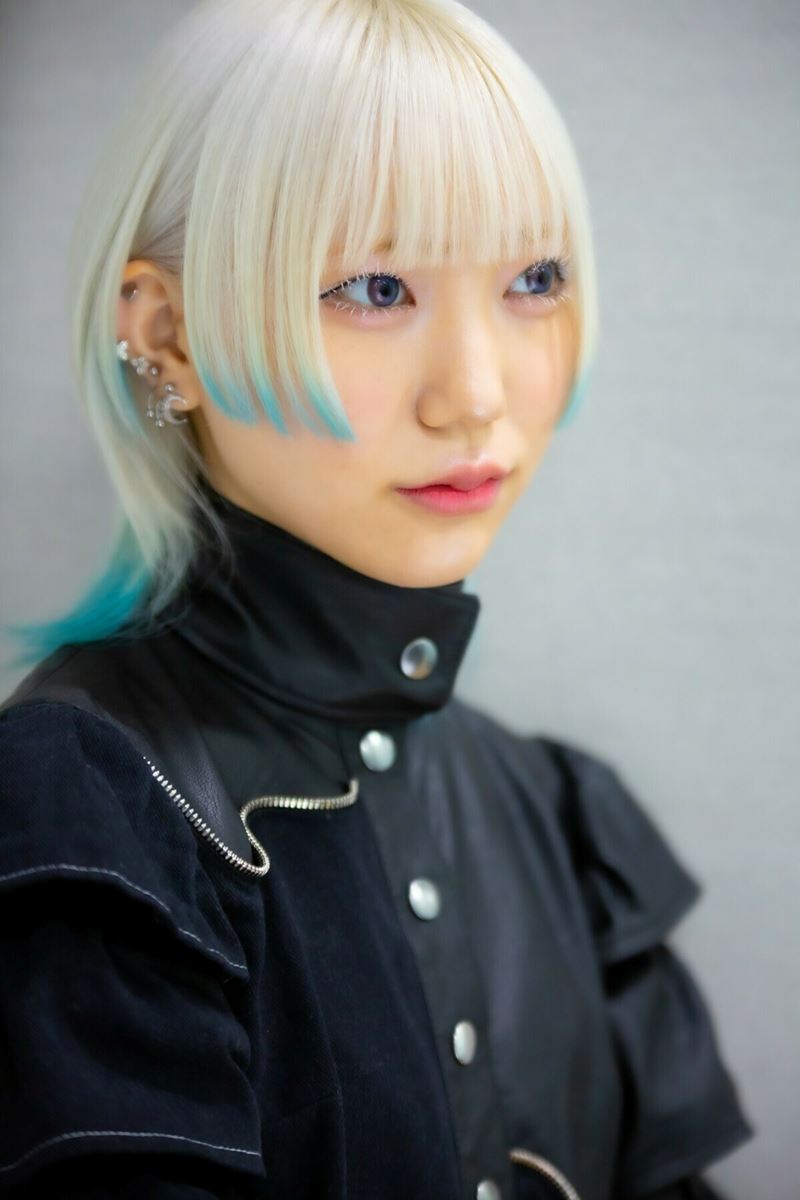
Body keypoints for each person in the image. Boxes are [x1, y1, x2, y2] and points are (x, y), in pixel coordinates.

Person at [0, 0, 753, 1197]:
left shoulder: (550, 812)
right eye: (373, 287)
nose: (473, 395)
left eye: (533, 279)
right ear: (168, 337)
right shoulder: (90, 808)